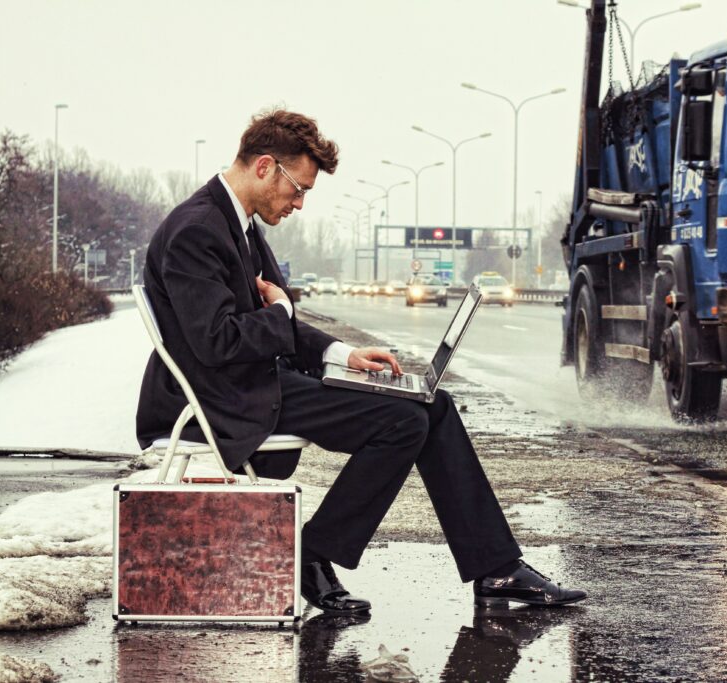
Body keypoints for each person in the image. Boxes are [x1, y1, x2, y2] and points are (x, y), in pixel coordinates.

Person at [135, 110, 586, 616]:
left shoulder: (235, 223)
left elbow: (271, 322)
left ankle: (496, 568)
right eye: (298, 190)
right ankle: (312, 554)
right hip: (223, 396)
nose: (299, 204)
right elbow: (218, 341)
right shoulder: (198, 231)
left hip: (254, 380)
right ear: (265, 167)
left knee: (432, 405)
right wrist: (281, 312)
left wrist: (340, 354)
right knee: (403, 421)